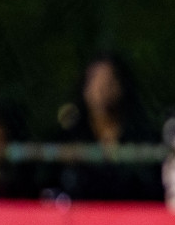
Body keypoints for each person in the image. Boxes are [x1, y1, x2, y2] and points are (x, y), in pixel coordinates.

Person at [52, 54, 162, 202]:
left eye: (109, 80)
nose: (101, 88)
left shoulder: (144, 138)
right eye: (95, 80)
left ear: (122, 86)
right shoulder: (68, 139)